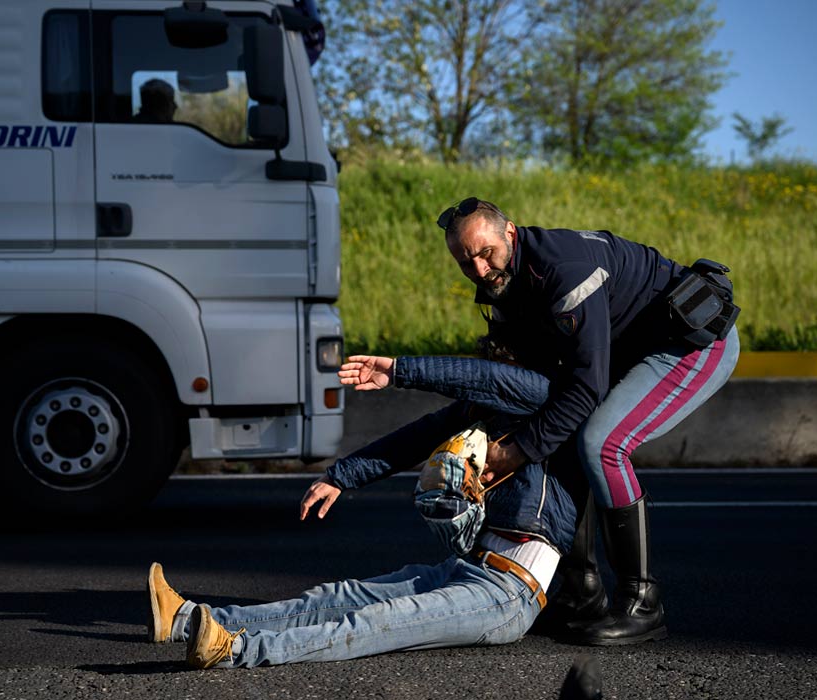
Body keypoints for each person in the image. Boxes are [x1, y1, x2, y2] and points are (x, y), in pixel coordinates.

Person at [147, 353, 591, 669]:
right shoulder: (484, 411)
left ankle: (234, 651)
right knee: (336, 598)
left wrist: (397, 370)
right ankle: (183, 620)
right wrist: (341, 476)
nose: (497, 359)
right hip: (468, 568)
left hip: (509, 594)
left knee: (370, 623)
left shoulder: (546, 398)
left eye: (504, 355)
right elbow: (412, 439)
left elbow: (479, 376)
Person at [435, 197, 741, 645]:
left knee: (601, 444)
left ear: (511, 235)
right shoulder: (503, 283)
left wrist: (516, 452)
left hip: (692, 346)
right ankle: (581, 592)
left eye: (486, 254)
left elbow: (586, 386)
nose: (479, 270)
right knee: (554, 433)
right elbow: (526, 386)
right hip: (633, 350)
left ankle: (642, 602)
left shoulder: (566, 270)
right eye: (465, 262)